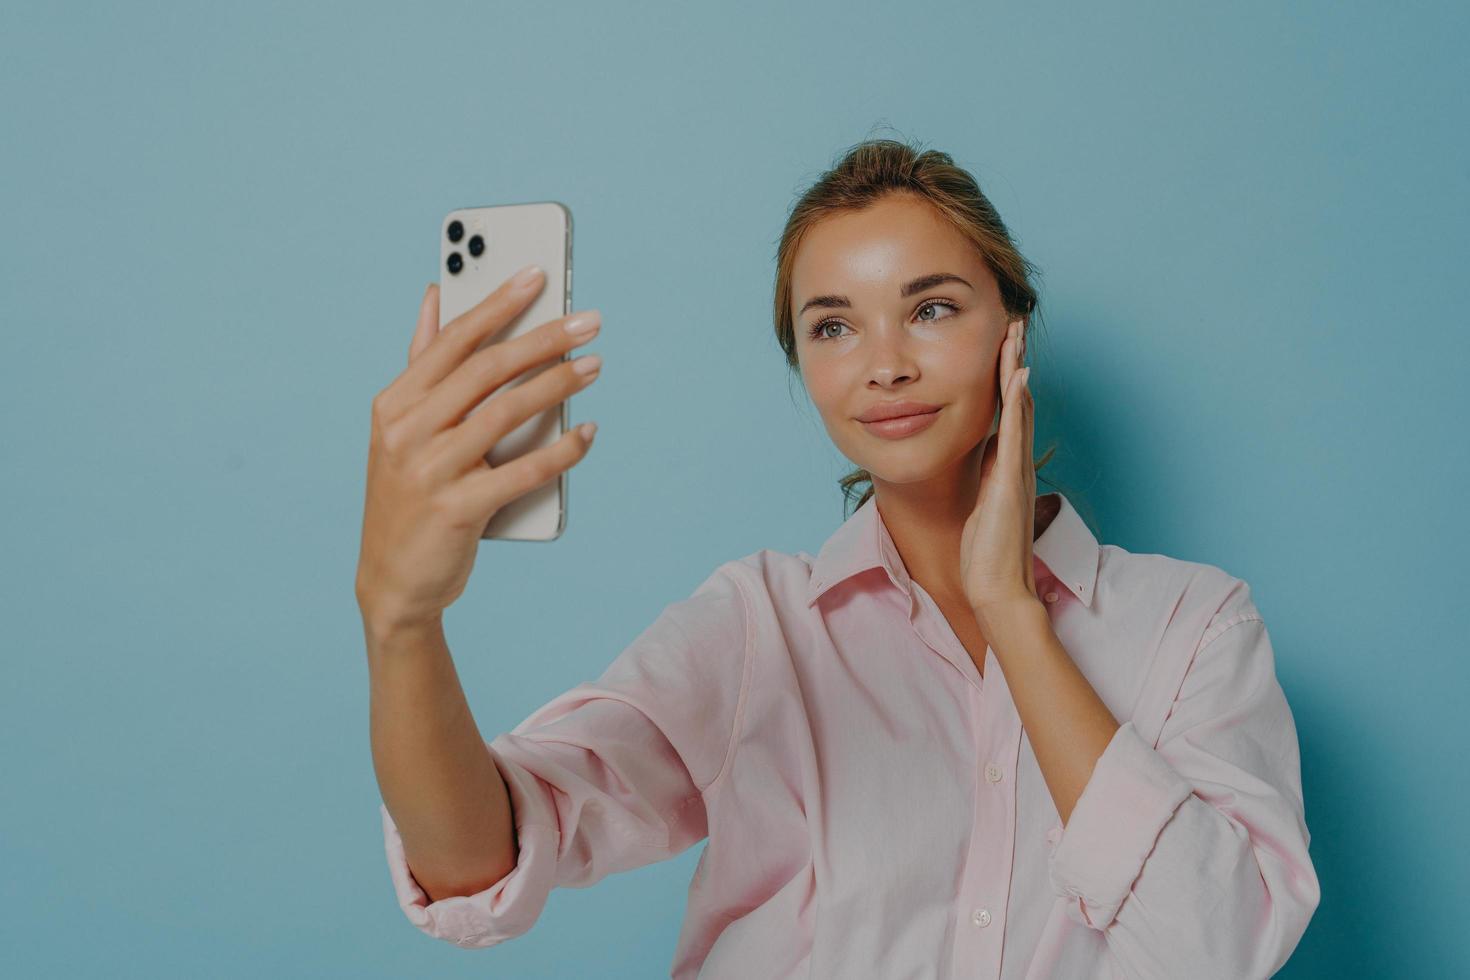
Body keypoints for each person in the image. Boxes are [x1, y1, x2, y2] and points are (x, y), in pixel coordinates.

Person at [356, 137, 1320, 979]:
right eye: (832, 325)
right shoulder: (757, 626)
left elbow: (1219, 952)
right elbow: (478, 861)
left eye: (932, 309)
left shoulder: (1194, 628)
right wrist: (400, 625)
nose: (883, 363)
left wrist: (1012, 614)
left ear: (1013, 330)